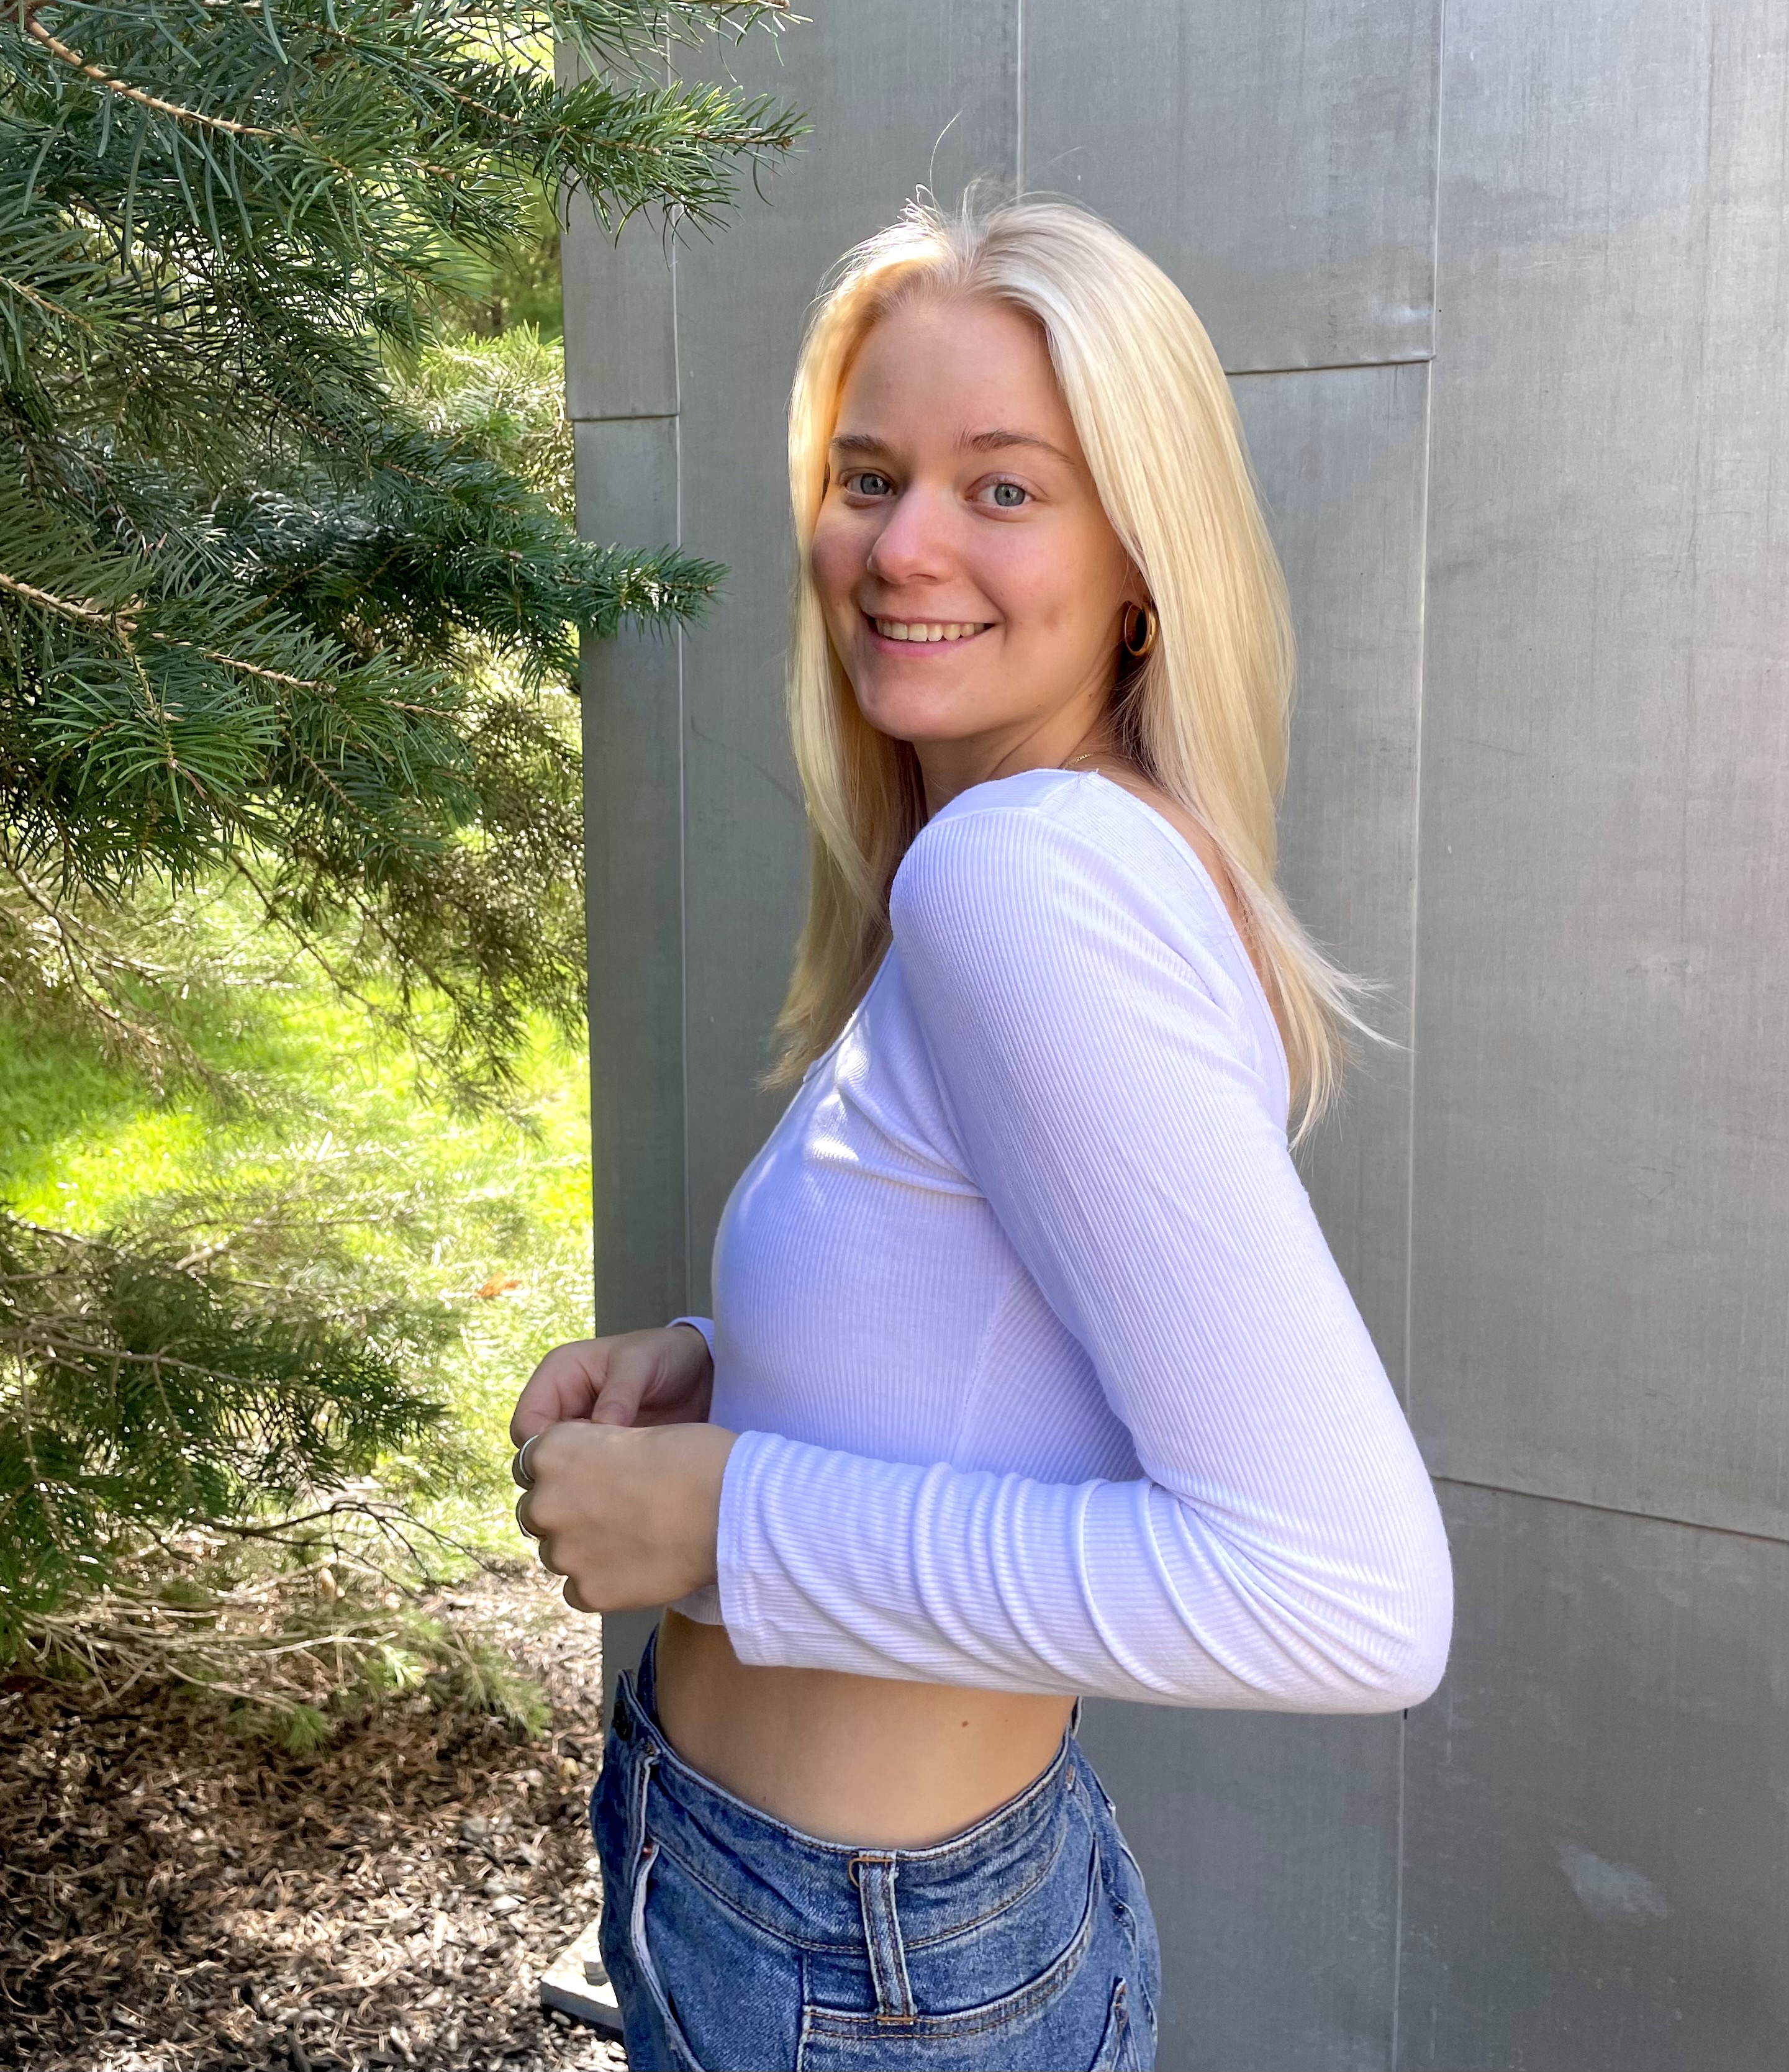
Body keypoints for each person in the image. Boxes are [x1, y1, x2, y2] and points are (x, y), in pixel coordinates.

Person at [510, 196, 1454, 2071]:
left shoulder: (1019, 877)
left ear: (1142, 561)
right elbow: (1023, 1335)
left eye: (1002, 488)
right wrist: (734, 1368)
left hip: (856, 1977)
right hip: (874, 1926)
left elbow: (1342, 1603)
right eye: (868, 476)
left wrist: (730, 1519)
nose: (899, 546)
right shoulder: (1086, 848)